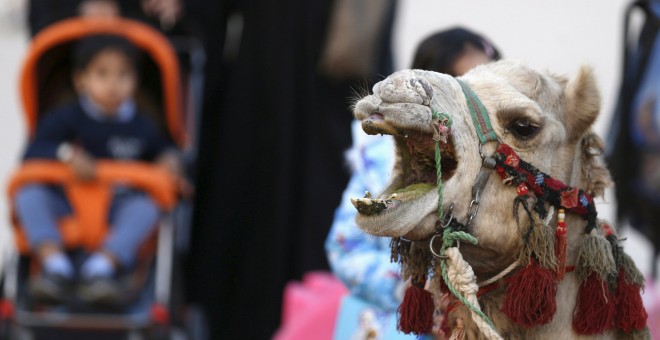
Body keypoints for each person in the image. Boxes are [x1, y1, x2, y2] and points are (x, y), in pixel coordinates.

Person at [325, 27, 501, 338]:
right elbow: (345, 247)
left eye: (487, 88)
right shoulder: (386, 159)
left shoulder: (501, 165)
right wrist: (409, 288)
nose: (476, 104)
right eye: (463, 89)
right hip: (400, 325)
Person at [14, 35, 183, 307]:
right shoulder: (65, 117)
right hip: (68, 204)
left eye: (123, 74)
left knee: (147, 207)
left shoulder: (143, 124)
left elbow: (163, 150)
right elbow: (33, 153)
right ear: (81, 79)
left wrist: (168, 160)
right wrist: (66, 155)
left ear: (135, 80)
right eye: (102, 74)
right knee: (29, 195)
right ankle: (54, 266)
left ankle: (102, 269)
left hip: (117, 208)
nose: (113, 84)